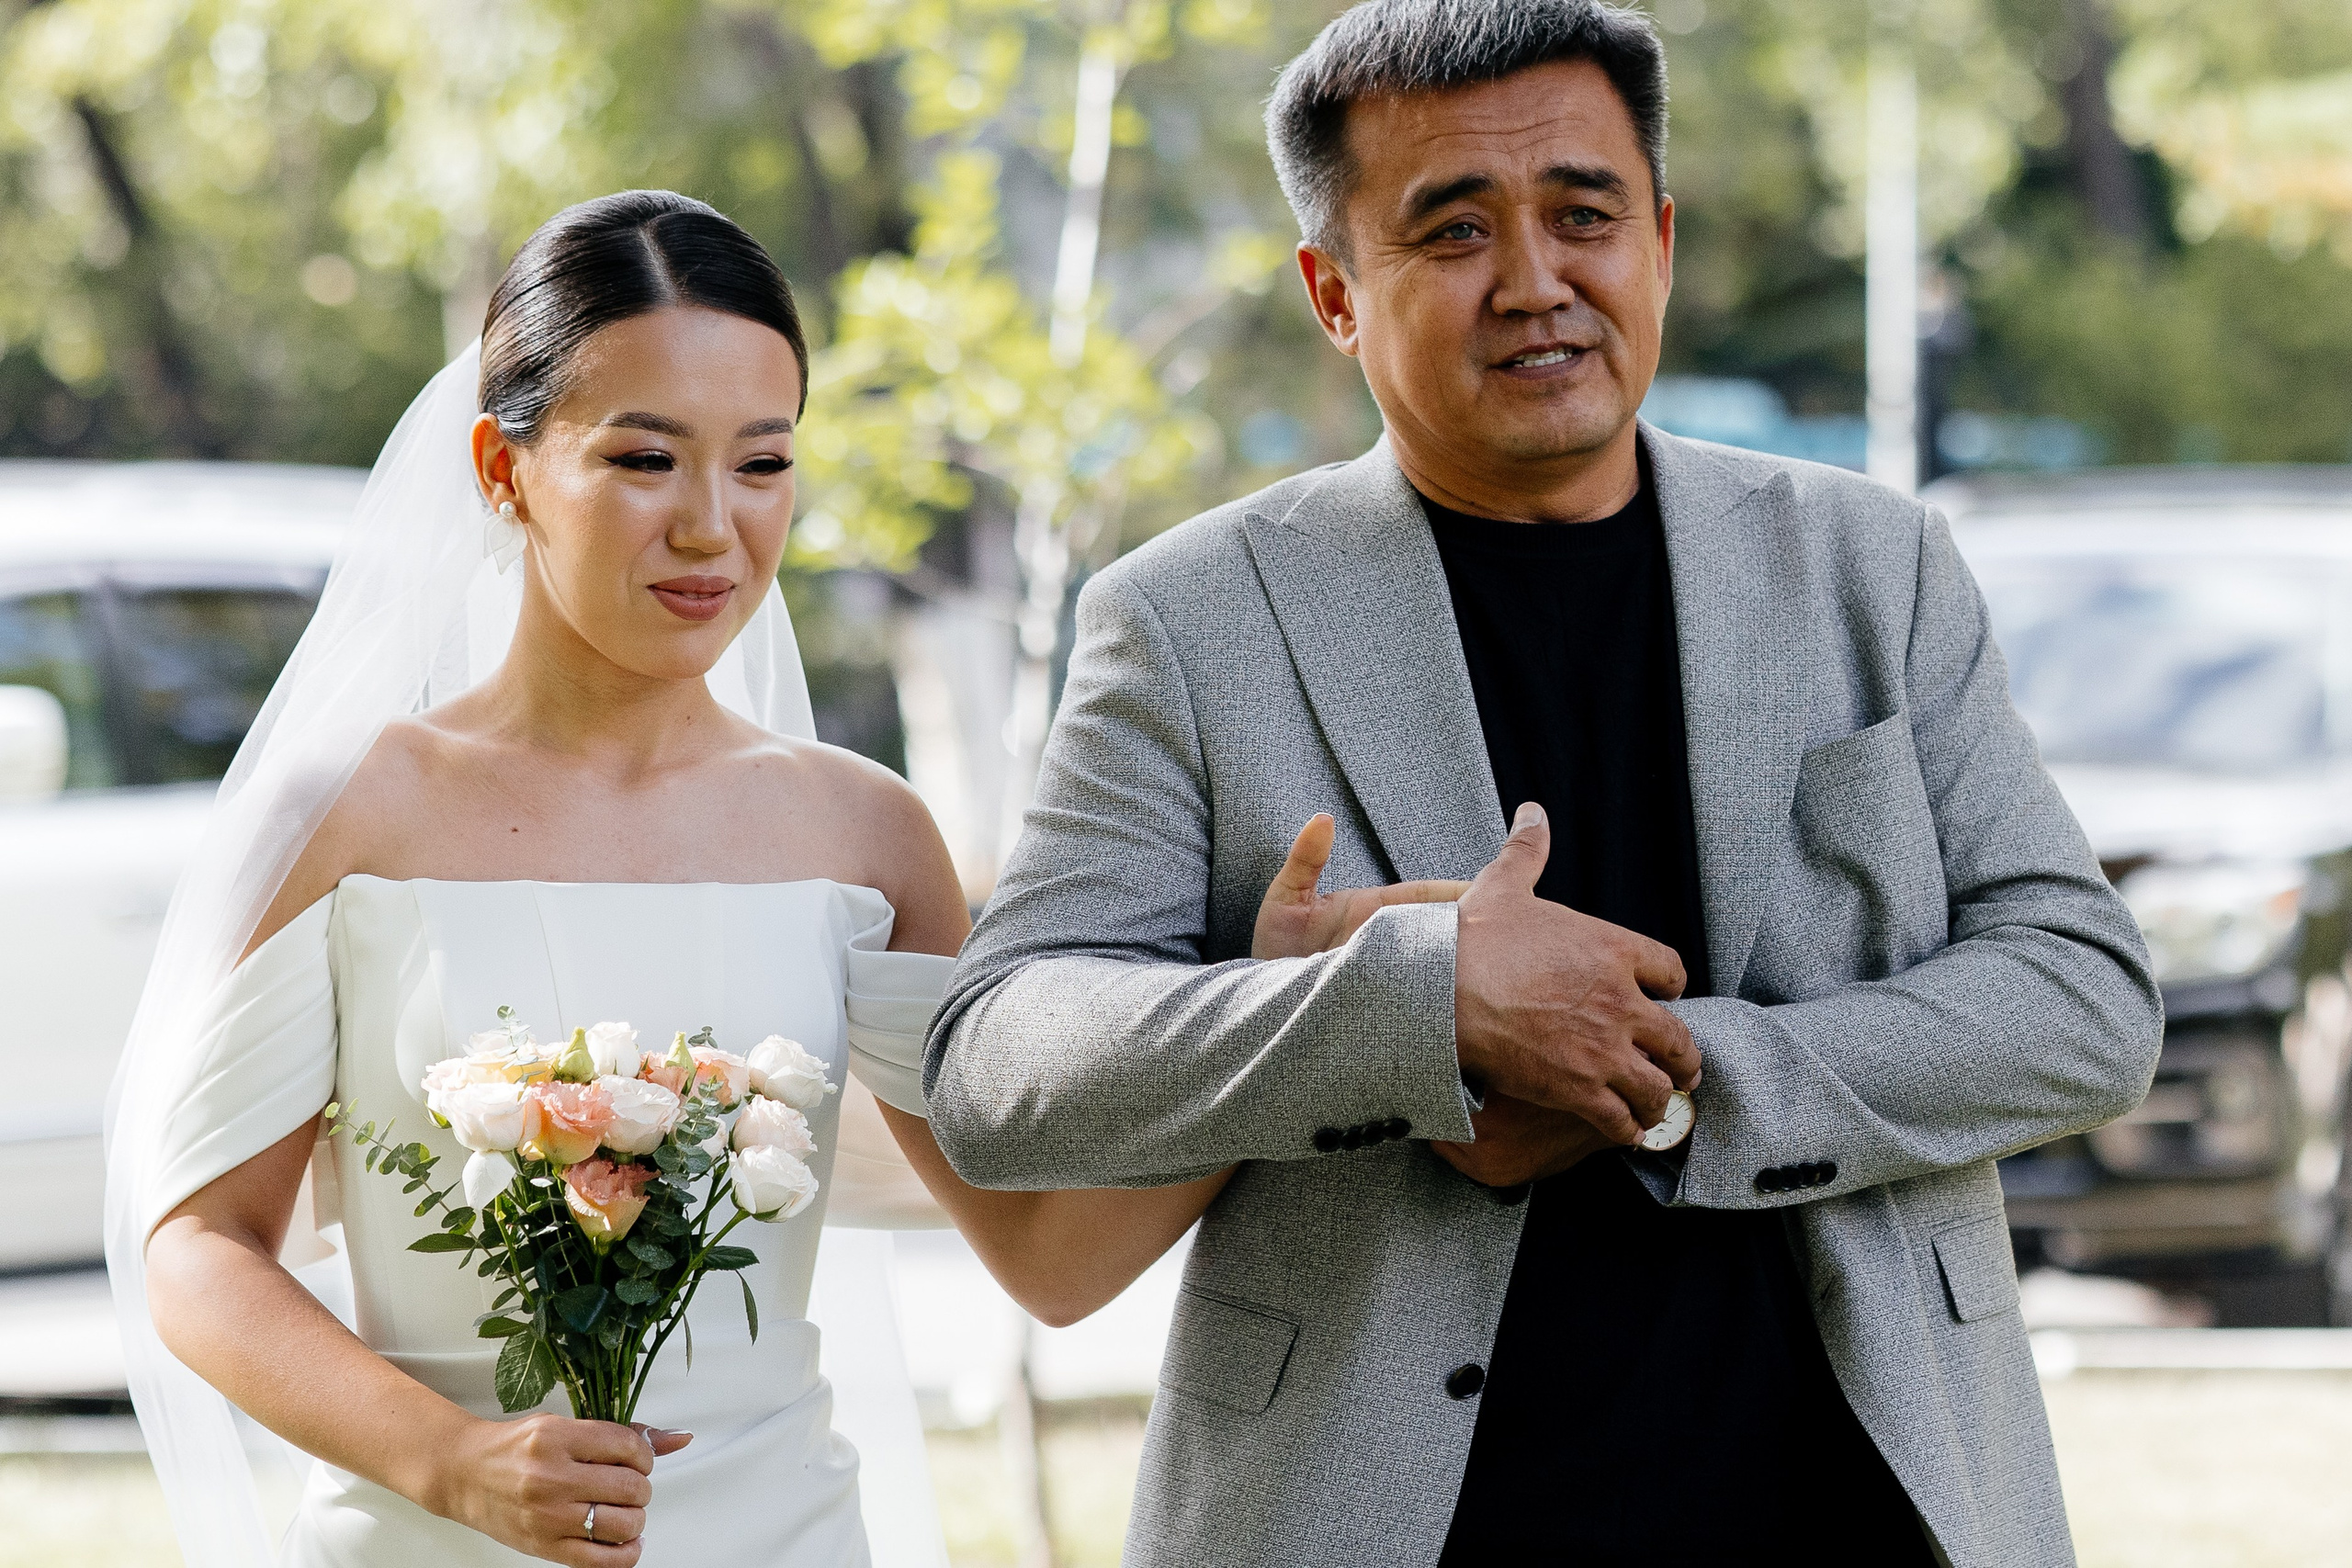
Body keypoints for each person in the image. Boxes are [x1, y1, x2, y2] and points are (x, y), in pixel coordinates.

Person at [924, 3, 2164, 1565]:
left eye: (1583, 215)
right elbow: (1000, 1063)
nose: (1535, 283)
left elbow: (2082, 1001)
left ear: (1657, 236)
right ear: (1334, 293)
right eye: (1451, 230)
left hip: (1873, 1507)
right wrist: (1410, 1005)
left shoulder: (1872, 564)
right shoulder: (1190, 620)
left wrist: (1660, 1080)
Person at [111, 190, 1390, 1568]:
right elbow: (200, 1250)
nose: (713, 527)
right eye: (646, 458)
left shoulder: (868, 839)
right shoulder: (357, 815)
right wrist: (461, 1463)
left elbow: (1051, 1259)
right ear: (503, 466)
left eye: (763, 464)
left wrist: (1285, 1007)